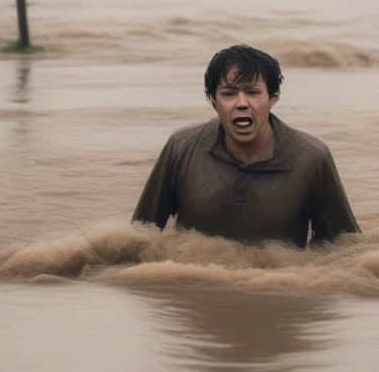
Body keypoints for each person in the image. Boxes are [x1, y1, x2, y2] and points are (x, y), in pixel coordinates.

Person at [132, 45, 360, 247]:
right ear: (212, 100)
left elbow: (343, 248)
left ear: (273, 99)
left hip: (277, 290)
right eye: (229, 93)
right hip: (192, 290)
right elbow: (140, 235)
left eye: (253, 92)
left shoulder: (311, 158)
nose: (242, 103)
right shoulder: (182, 148)